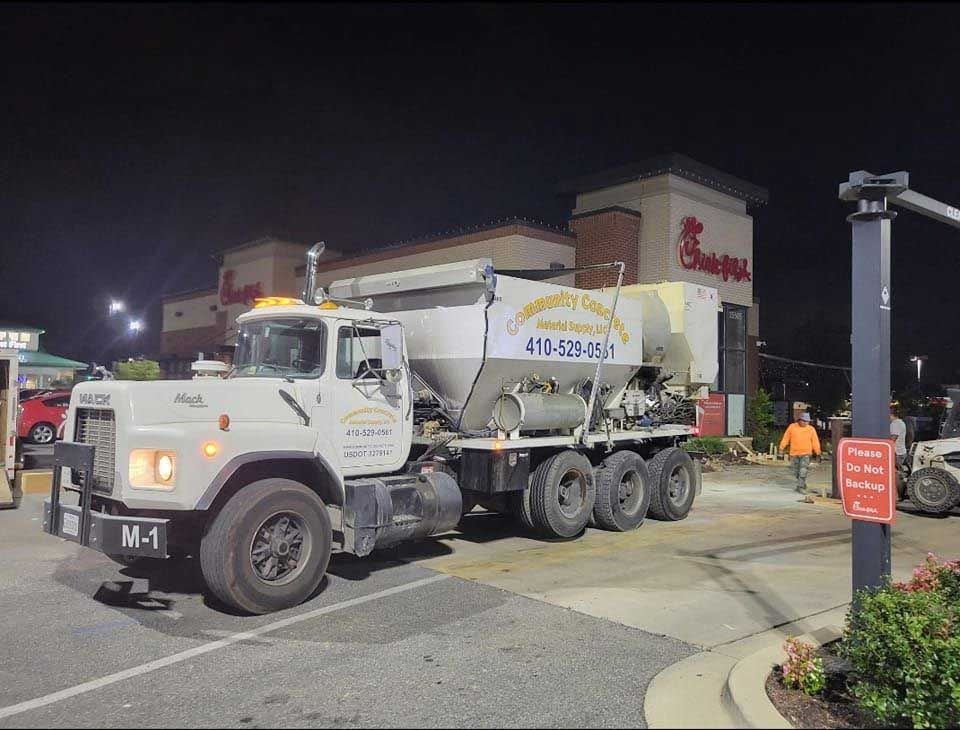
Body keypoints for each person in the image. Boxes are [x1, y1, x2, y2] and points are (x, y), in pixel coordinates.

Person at [779, 412, 822, 493]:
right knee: (796, 472)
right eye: (804, 421)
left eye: (807, 421)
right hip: (794, 454)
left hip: (806, 453)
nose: (806, 423)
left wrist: (818, 452)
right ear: (799, 420)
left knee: (803, 469)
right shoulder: (792, 427)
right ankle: (802, 483)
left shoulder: (811, 429)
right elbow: (786, 438)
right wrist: (781, 448)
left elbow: (815, 441)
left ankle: (800, 487)